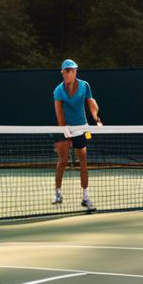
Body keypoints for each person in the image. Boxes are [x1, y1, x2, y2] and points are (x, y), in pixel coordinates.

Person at [52, 59, 102, 209]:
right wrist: (64, 128)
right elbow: (59, 112)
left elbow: (91, 102)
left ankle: (86, 198)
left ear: (75, 72)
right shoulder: (58, 90)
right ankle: (58, 193)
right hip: (65, 127)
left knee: (83, 163)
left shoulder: (84, 85)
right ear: (62, 73)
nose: (70, 73)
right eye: (67, 70)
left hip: (81, 127)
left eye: (73, 70)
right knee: (62, 161)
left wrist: (96, 117)